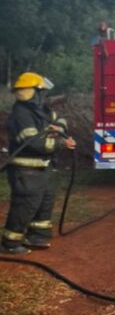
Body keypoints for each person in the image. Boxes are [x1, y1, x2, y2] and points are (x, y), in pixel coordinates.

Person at [1, 72, 76, 254]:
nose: (44, 96)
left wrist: (59, 128)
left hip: (42, 168)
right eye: (41, 92)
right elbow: (34, 143)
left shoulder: (39, 110)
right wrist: (61, 143)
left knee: (45, 200)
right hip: (26, 170)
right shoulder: (21, 115)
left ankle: (37, 236)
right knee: (26, 204)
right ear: (34, 92)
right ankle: (10, 243)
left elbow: (60, 118)